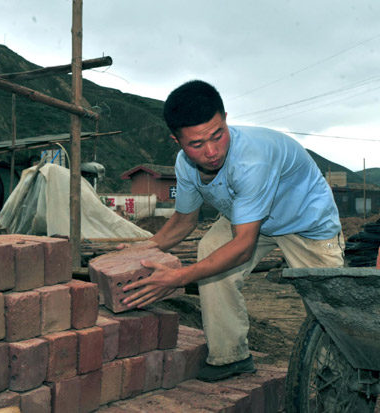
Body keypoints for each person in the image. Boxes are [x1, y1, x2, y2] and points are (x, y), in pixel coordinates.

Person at [122, 80, 344, 382]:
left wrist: (179, 277)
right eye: (196, 145)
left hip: (306, 220)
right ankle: (230, 356)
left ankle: (339, 375)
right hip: (247, 217)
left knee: (329, 302)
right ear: (177, 141)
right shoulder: (185, 166)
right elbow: (184, 221)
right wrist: (145, 248)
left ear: (226, 119)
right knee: (210, 249)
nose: (212, 151)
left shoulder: (252, 159)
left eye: (218, 135)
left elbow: (242, 247)